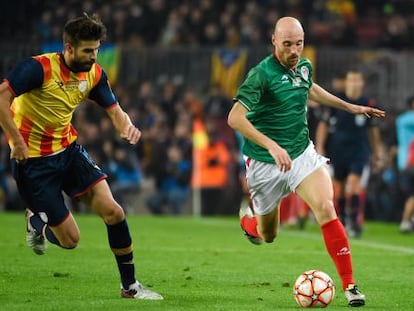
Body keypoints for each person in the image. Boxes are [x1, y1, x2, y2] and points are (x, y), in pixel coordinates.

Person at [0, 13, 163, 300]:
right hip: (33, 163)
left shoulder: (95, 73)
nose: (93, 56)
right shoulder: (37, 69)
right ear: (68, 48)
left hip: (69, 151)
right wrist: (15, 139)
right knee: (71, 240)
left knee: (114, 212)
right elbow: (2, 96)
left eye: (96, 49)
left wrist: (127, 126)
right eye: (88, 50)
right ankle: (36, 220)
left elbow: (114, 110)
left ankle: (130, 287)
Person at [228, 17, 385, 307]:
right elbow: (234, 118)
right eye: (287, 44)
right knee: (268, 234)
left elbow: (309, 87)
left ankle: (350, 285)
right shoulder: (261, 74)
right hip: (265, 162)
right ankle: (249, 222)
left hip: (301, 154)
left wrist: (349, 106)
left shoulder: (304, 65)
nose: (294, 50)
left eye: (299, 44)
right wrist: (272, 145)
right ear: (274, 41)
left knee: (326, 208)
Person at [315, 69, 383, 237]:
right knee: (339, 189)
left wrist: (377, 152)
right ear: (346, 82)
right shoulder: (337, 102)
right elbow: (323, 125)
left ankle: (354, 222)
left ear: (362, 83)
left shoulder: (368, 103)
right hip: (337, 151)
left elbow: (373, 130)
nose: (354, 83)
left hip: (359, 151)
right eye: (351, 80)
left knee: (353, 185)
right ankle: (344, 220)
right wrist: (320, 147)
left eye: (357, 80)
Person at [396, 96, 414, 233]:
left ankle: (408, 220)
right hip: (411, 161)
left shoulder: (400, 120)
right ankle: (406, 221)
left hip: (403, 161)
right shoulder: (408, 119)